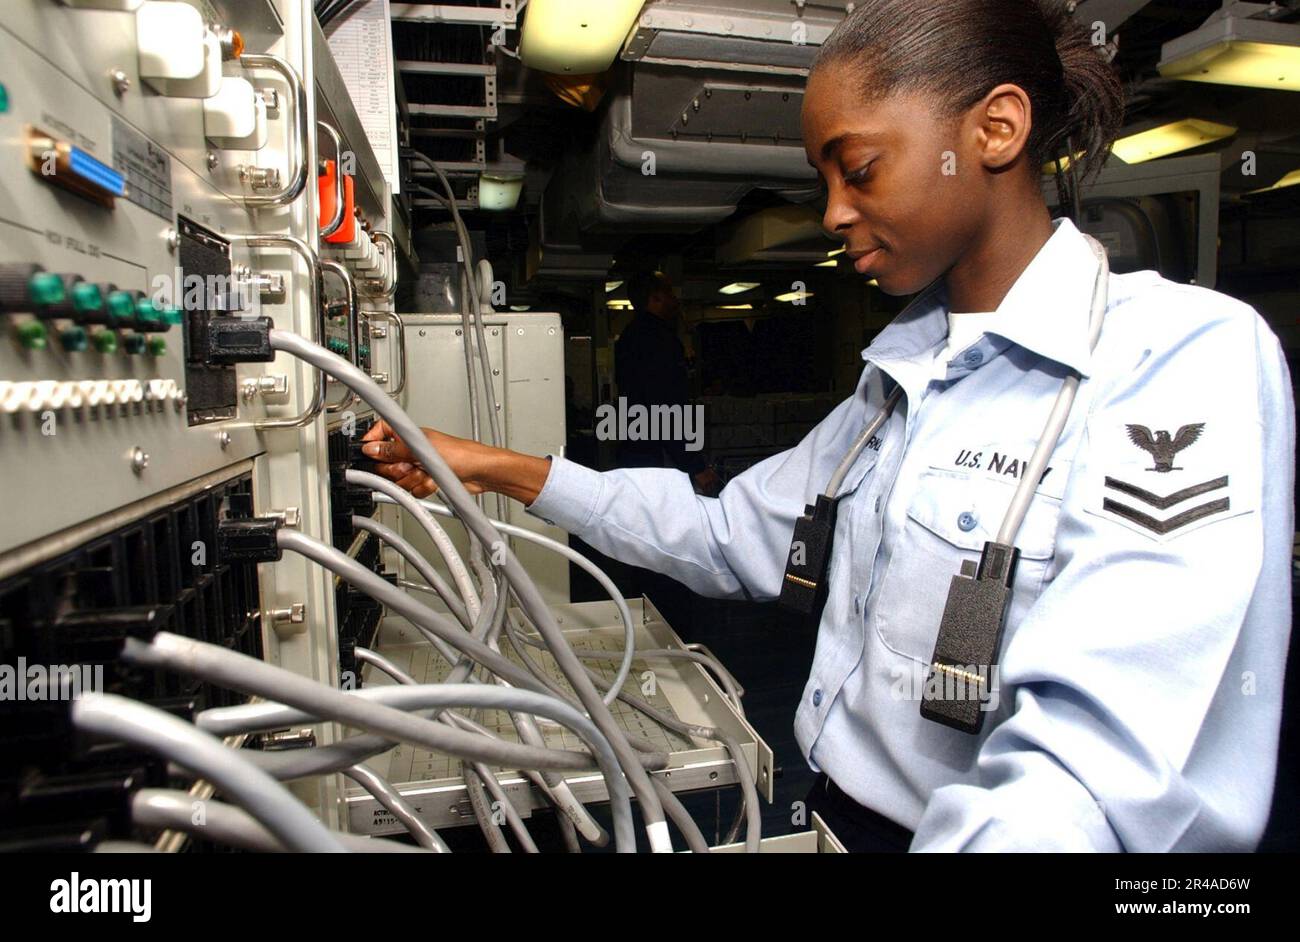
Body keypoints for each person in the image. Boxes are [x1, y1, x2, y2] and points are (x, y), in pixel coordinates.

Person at [361, 0, 1294, 852]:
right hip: (835, 815)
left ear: (995, 129)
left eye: (858, 169)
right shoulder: (897, 383)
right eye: (825, 179)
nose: (835, 212)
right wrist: (491, 466)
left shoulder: (1177, 359)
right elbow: (727, 533)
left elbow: (1086, 779)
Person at [614, 272, 721, 495]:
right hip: (659, 455)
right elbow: (665, 406)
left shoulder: (628, 336)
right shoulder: (659, 340)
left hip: (636, 446)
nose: (675, 300)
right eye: (669, 294)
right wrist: (694, 465)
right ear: (655, 299)